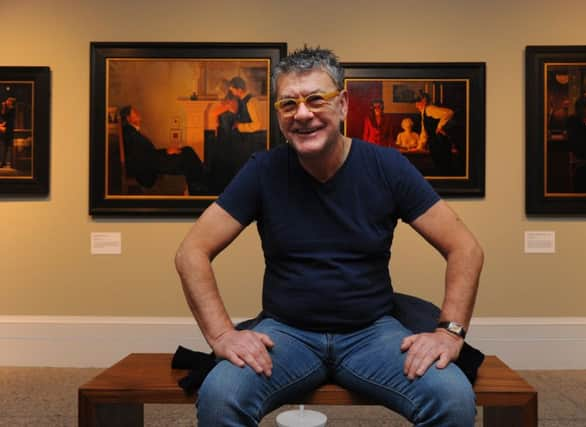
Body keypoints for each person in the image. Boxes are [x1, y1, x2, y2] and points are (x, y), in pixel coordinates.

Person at [175, 46, 484, 427]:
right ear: (278, 115)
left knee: (452, 398)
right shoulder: (263, 171)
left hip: (373, 334)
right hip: (285, 336)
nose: (302, 114)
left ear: (343, 104)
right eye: (289, 104)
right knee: (220, 397)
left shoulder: (387, 167)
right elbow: (192, 251)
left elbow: (465, 247)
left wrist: (450, 333)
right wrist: (221, 334)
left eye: (316, 100)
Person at [119, 105, 207, 194]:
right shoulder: (130, 133)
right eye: (134, 112)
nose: (138, 113)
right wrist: (166, 151)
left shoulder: (132, 132)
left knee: (187, 152)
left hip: (154, 160)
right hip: (150, 165)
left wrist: (167, 151)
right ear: (128, 118)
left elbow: (146, 153)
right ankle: (199, 189)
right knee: (187, 155)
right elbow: (144, 156)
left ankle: (198, 186)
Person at [413, 91, 456, 175]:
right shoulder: (424, 112)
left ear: (424, 101)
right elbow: (424, 132)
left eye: (418, 102)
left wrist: (440, 126)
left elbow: (449, 113)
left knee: (443, 168)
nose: (416, 105)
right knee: (439, 167)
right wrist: (419, 147)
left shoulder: (430, 109)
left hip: (440, 143)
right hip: (435, 143)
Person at [0, 96, 16, 168]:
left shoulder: (12, 109)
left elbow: (7, 117)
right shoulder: (9, 109)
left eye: (7, 101)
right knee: (4, 146)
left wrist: (4, 124)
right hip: (7, 129)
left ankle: (9, 162)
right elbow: (3, 115)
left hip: (9, 130)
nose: (6, 102)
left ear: (10, 102)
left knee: (8, 146)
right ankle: (4, 162)